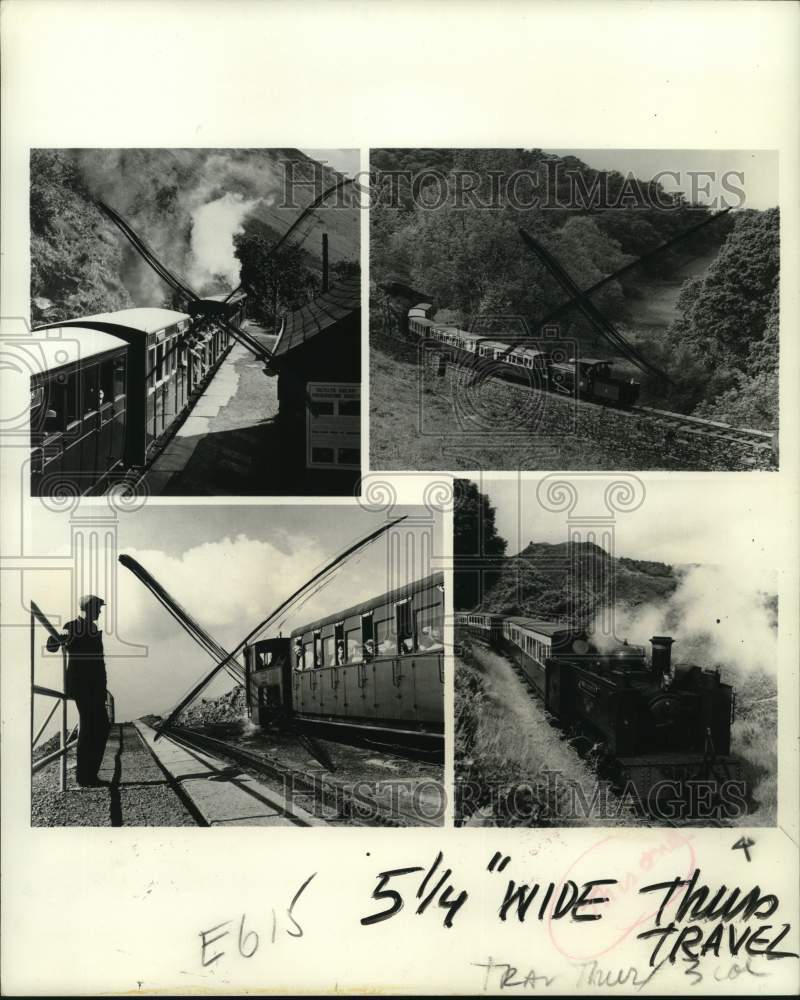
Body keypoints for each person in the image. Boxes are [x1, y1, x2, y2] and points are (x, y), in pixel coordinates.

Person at [46, 595, 110, 788]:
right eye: (98, 608)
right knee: (91, 728)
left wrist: (103, 686)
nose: (100, 611)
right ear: (89, 608)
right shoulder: (73, 626)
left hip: (96, 688)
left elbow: (98, 662)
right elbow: (51, 646)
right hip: (83, 687)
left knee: (99, 727)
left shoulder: (93, 629)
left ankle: (90, 775)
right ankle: (85, 777)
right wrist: (59, 638)